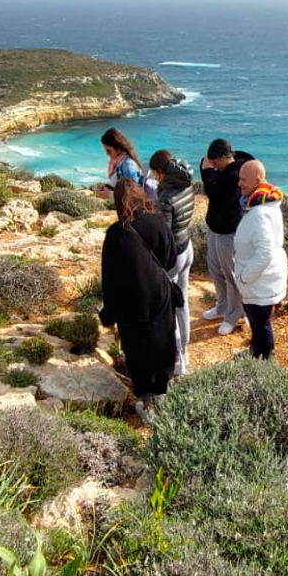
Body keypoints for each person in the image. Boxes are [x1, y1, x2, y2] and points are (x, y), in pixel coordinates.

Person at [98, 179, 178, 422]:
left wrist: (108, 314)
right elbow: (171, 258)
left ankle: (147, 400)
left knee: (137, 347)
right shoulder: (157, 222)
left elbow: (109, 278)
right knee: (163, 338)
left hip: (130, 301)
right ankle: (164, 391)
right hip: (159, 292)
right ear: (141, 196)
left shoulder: (115, 234)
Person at [233, 159, 288, 360]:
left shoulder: (260, 213)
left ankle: (264, 364)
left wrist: (245, 276)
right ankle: (254, 355)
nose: (239, 183)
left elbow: (265, 252)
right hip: (261, 281)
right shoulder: (264, 203)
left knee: (261, 324)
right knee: (257, 324)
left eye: (243, 179)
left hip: (259, 282)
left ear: (258, 180)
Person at [199, 138, 253, 335]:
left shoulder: (235, 175)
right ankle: (222, 306)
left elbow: (217, 196)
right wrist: (208, 170)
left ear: (224, 157)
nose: (213, 166)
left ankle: (234, 313)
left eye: (215, 162)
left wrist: (206, 174)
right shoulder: (221, 170)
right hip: (214, 227)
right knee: (215, 268)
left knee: (231, 275)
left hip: (228, 231)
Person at [148, 149, 194, 375]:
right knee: (182, 301)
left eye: (154, 174)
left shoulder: (166, 197)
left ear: (160, 172)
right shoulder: (186, 181)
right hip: (187, 246)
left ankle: (177, 363)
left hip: (173, 256)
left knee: (168, 309)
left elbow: (163, 235)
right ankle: (185, 350)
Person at [97, 128, 147, 200]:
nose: (107, 154)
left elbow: (132, 196)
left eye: (109, 150)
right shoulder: (120, 163)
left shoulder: (128, 166)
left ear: (117, 148)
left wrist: (109, 194)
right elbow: (119, 185)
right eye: (105, 151)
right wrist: (107, 187)